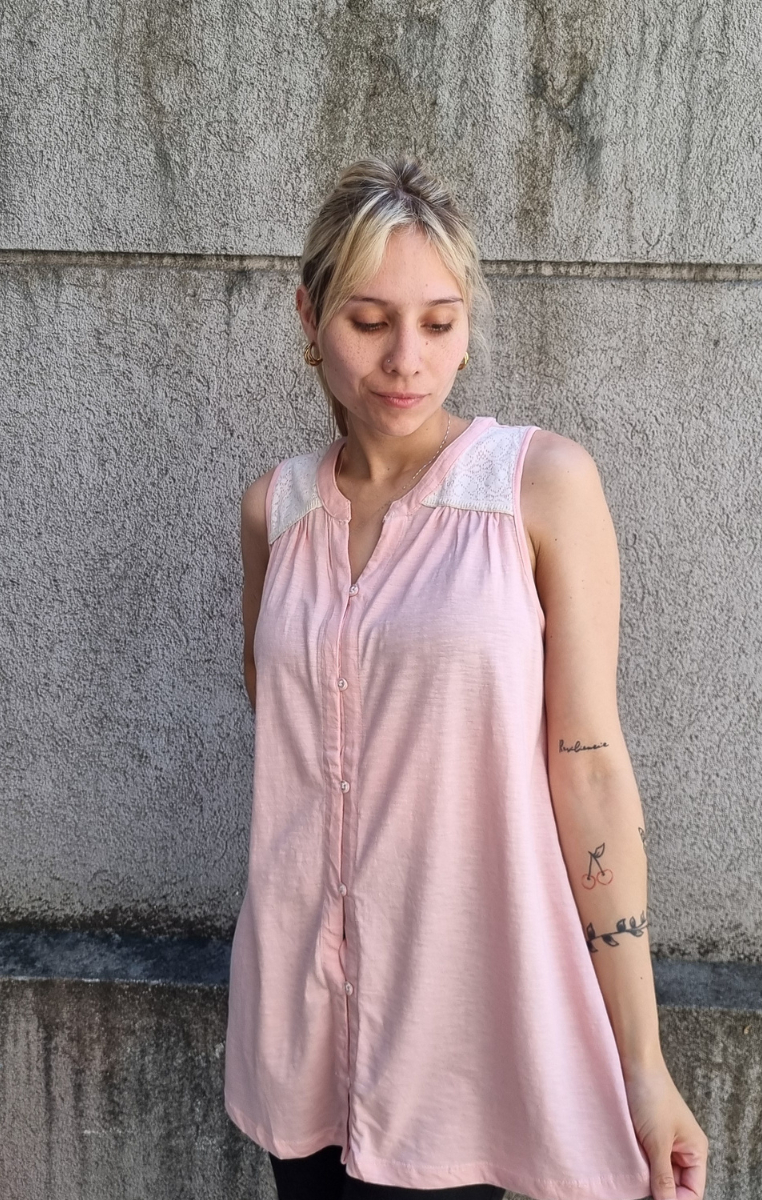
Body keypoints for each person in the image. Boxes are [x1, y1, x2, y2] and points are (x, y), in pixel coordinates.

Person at [223, 155, 708, 1200]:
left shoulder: (539, 487)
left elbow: (590, 771)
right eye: (369, 321)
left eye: (439, 324)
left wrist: (644, 1063)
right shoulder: (276, 511)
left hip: (472, 1037)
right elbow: (289, 740)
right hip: (300, 1028)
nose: (407, 360)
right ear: (308, 318)